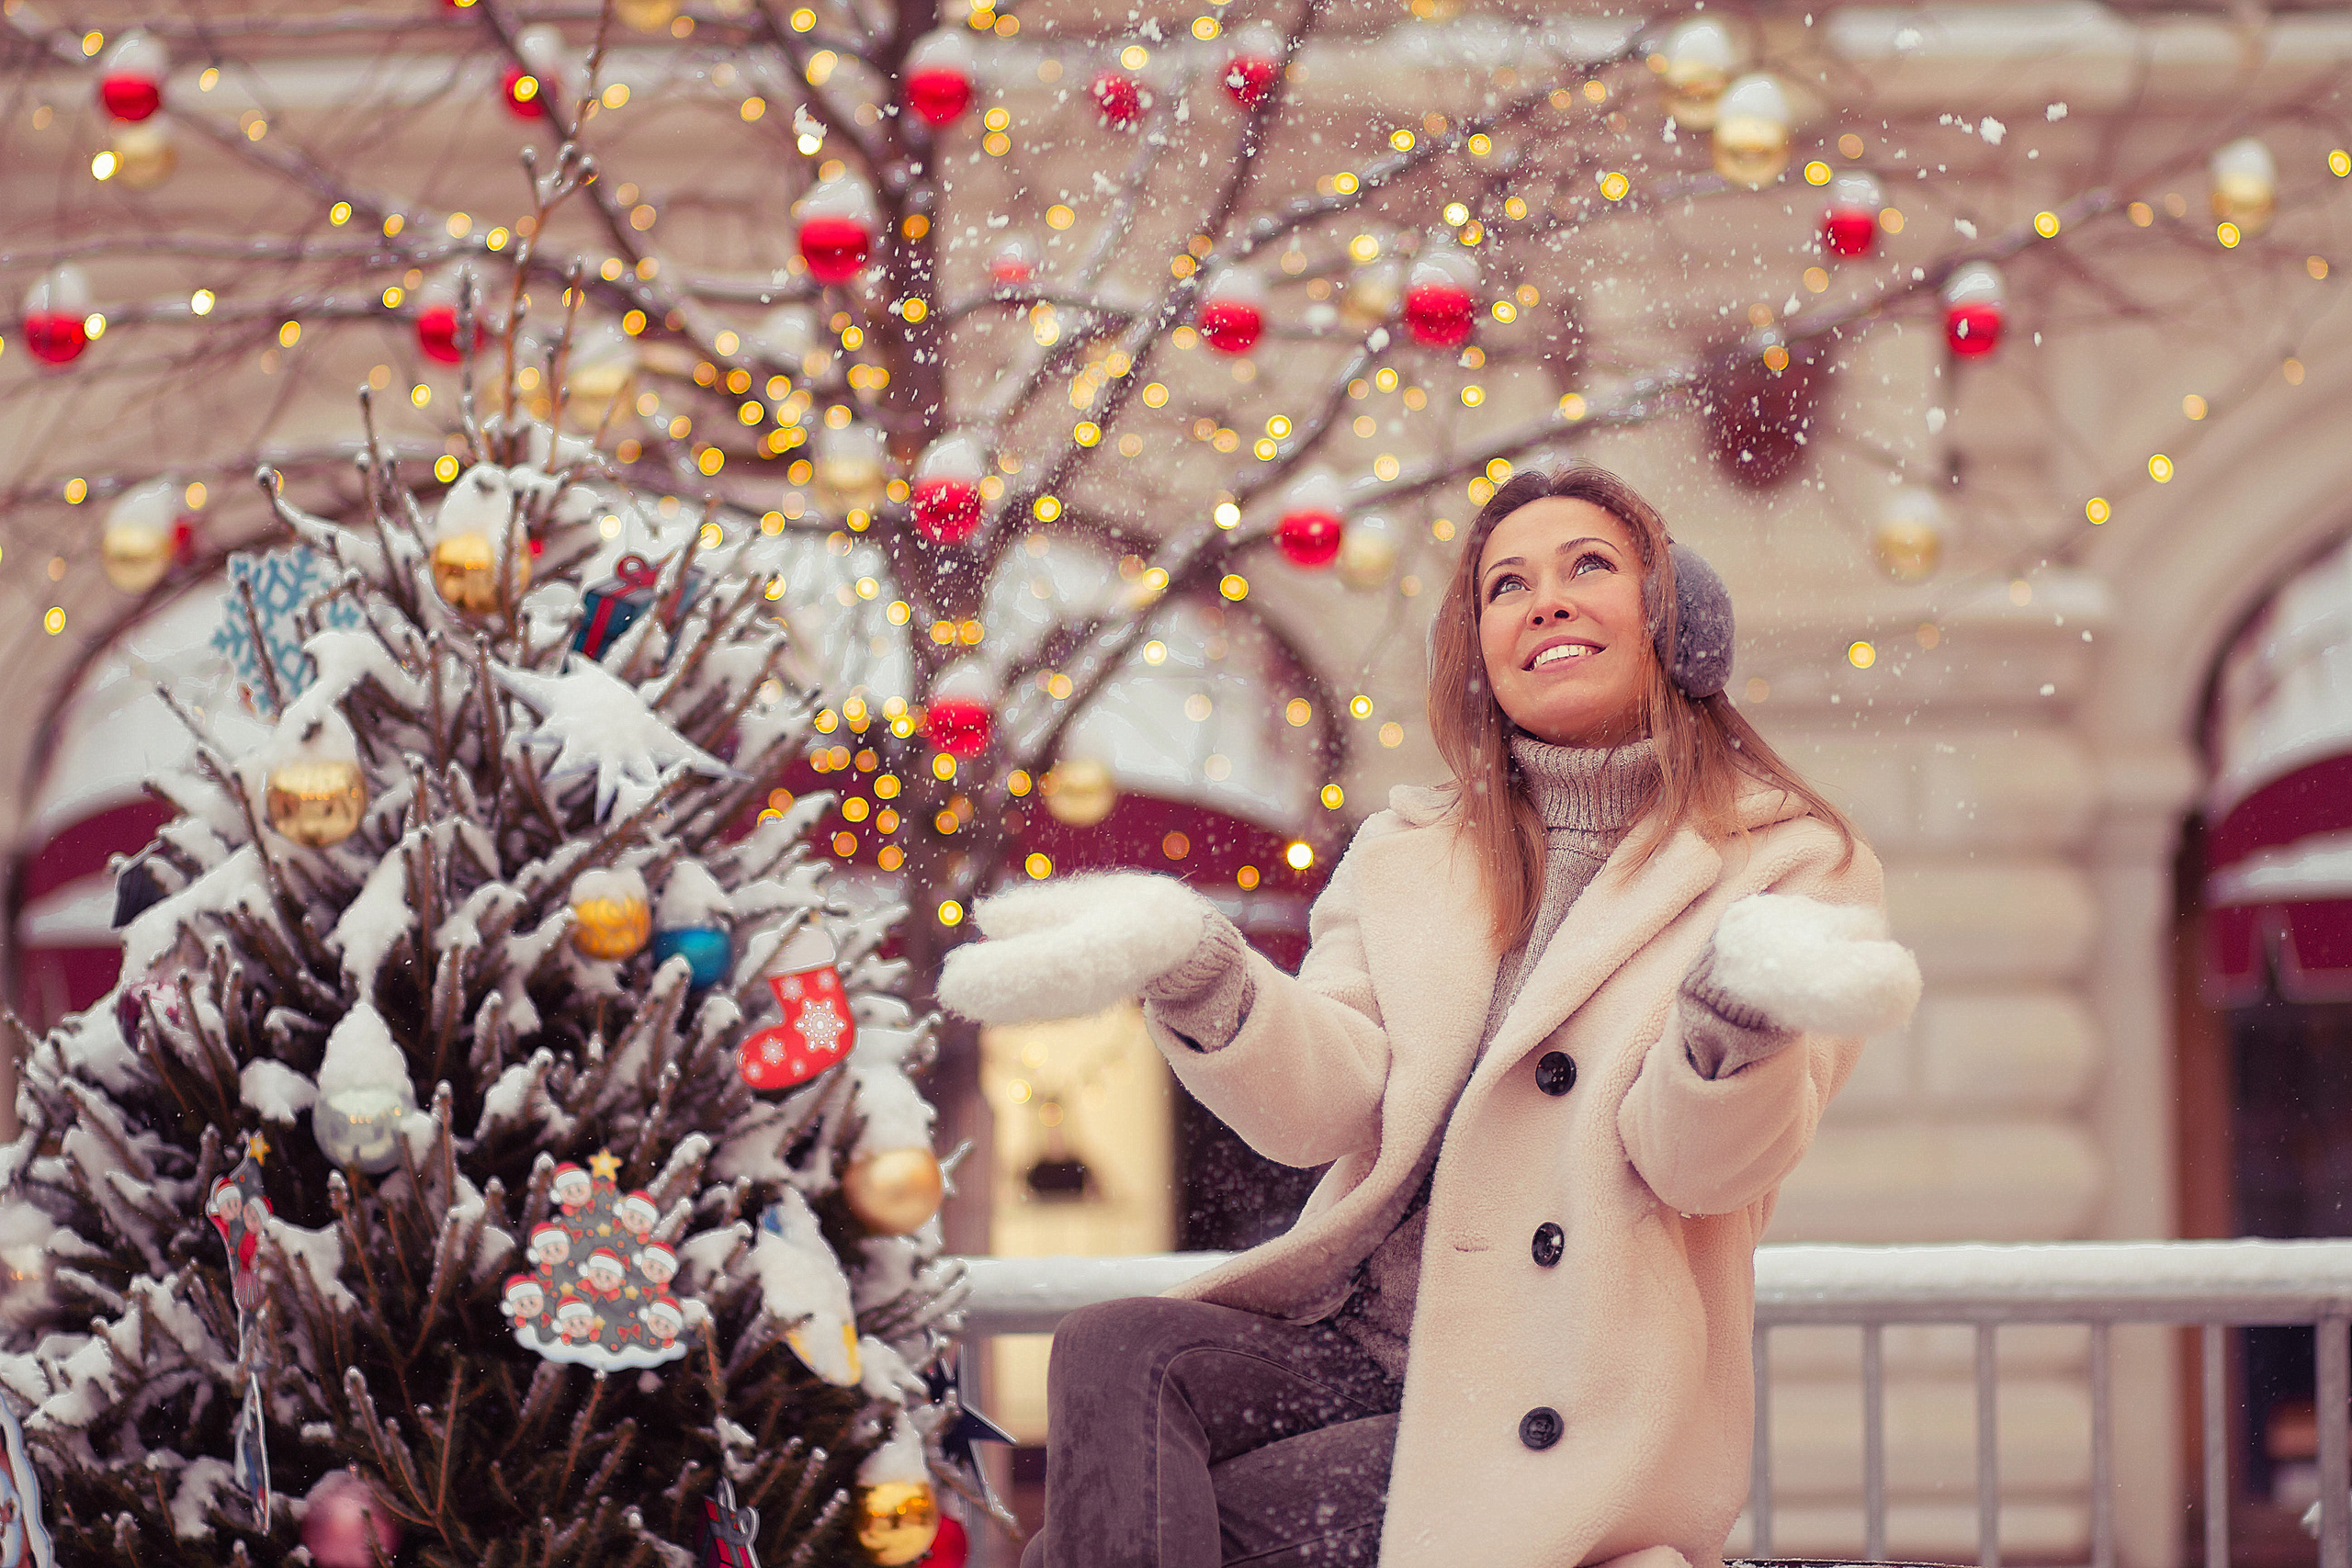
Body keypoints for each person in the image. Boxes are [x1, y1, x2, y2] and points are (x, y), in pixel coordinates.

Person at [942, 467, 1922, 1568]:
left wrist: (1731, 1016)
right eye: (1507, 585)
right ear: (1479, 654)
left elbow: (1698, 1169)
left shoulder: (1786, 863)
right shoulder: (1409, 857)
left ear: (1673, 625)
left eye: (1587, 567)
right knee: (1114, 1345)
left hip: (1550, 1387)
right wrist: (1190, 965)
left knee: (1102, 1540)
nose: (1543, 600)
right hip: (1358, 1351)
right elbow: (1325, 1107)